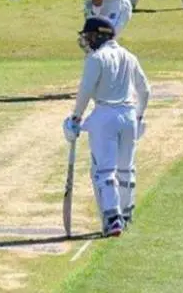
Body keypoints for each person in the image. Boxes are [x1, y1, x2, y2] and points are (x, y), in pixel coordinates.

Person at [63, 16, 151, 237]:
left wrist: (75, 118)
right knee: (126, 168)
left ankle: (113, 219)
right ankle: (125, 213)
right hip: (129, 115)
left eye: (90, 36)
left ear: (99, 36)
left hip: (105, 115)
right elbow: (145, 90)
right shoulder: (129, 57)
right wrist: (139, 117)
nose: (87, 41)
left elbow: (85, 90)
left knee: (104, 171)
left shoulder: (96, 59)